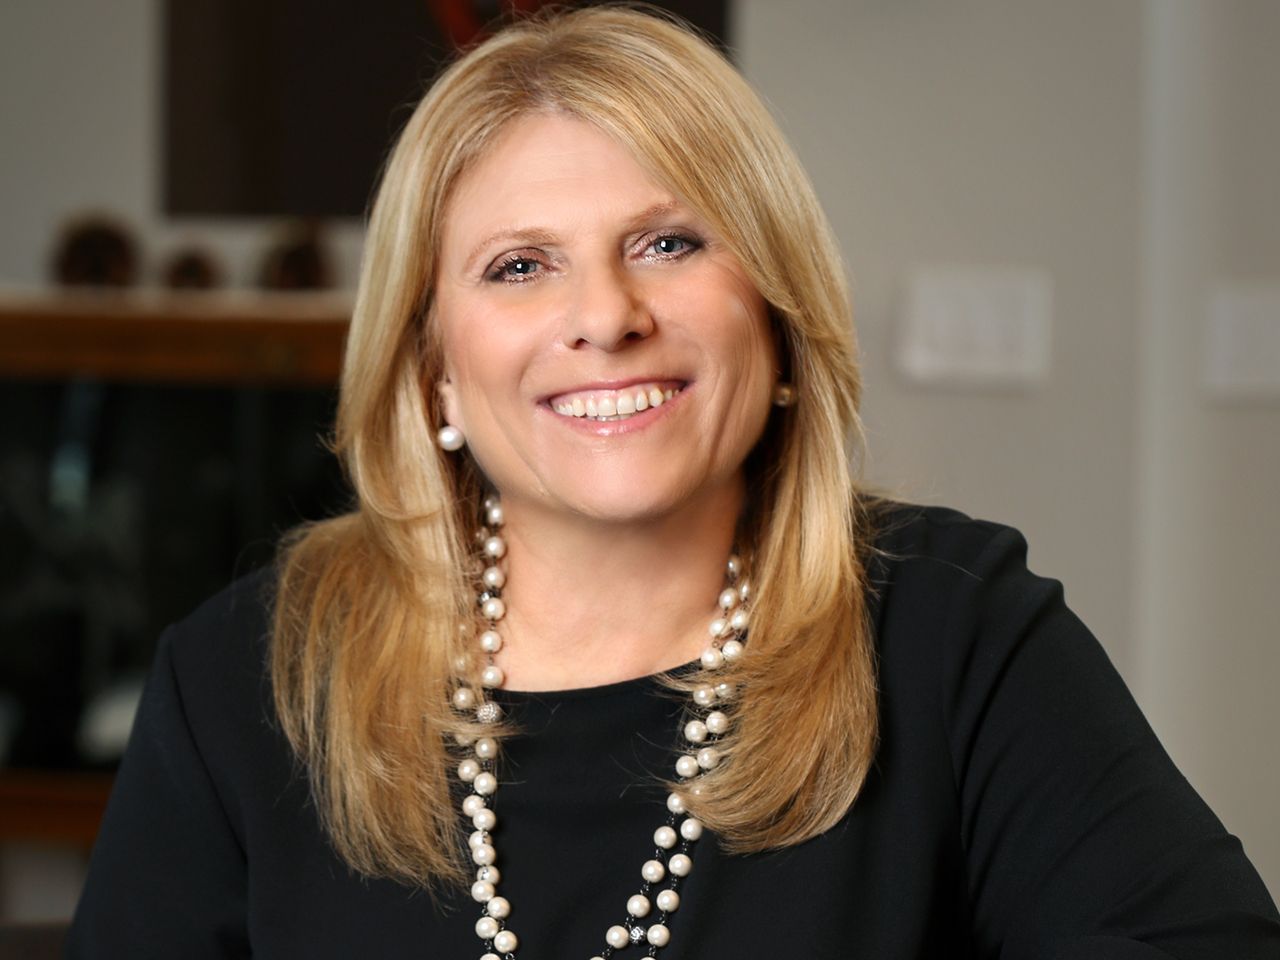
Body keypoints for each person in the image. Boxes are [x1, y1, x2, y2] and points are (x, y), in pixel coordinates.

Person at [68, 7, 1280, 958]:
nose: (604, 316)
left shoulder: (953, 630)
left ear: (775, 312)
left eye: (669, 242)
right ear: (431, 370)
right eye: (519, 265)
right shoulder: (244, 681)